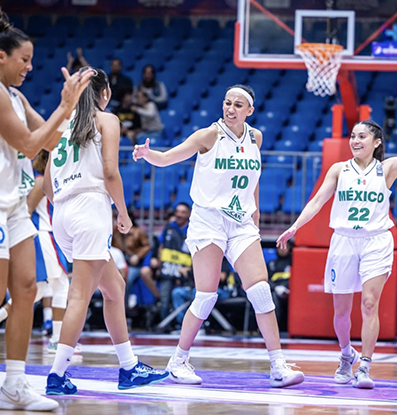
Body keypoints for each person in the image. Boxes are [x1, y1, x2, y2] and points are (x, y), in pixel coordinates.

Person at [0, 5, 92, 411]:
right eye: (24, 60)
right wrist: (63, 107)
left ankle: (14, 385)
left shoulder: (14, 94)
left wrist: (81, 110)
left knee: (26, 289)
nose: (29, 66)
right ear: (1, 57)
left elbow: (50, 142)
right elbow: (27, 145)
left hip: (10, 203)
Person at [276, 93, 397, 389]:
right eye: (353, 136)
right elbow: (316, 201)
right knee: (341, 312)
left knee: (369, 304)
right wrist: (294, 228)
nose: (355, 140)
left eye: (362, 136)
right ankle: (345, 355)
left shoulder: (387, 168)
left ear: (376, 142)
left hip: (376, 241)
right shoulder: (338, 169)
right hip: (343, 240)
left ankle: (364, 366)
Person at [133, 84, 304, 388]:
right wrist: (148, 155)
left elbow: (254, 178)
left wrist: (256, 212)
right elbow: (168, 158)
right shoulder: (208, 135)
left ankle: (278, 365)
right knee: (206, 294)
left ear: (250, 111)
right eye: (227, 102)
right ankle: (179, 361)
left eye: (239, 105)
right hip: (209, 220)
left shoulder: (256, 137)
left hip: (241, 222)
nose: (231, 108)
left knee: (261, 291)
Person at [43, 67, 168, 395]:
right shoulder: (106, 119)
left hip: (63, 213)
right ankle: (56, 375)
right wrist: (123, 214)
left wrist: (66, 210)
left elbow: (46, 183)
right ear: (105, 94)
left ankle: (129, 367)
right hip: (89, 208)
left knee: (114, 288)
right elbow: (111, 172)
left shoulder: (61, 124)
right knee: (80, 296)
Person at [0, 151, 75, 355]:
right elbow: (27, 212)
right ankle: (57, 340)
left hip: (48, 236)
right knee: (62, 284)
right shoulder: (40, 182)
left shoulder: (53, 179)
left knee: (37, 291)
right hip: (42, 235)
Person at [267, 241, 292, 332]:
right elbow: (265, 280)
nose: (282, 249)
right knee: (272, 296)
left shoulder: (295, 262)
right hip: (276, 291)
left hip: (292, 291)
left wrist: (288, 288)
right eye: (280, 246)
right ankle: (273, 328)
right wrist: (276, 288)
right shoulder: (271, 264)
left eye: (285, 246)